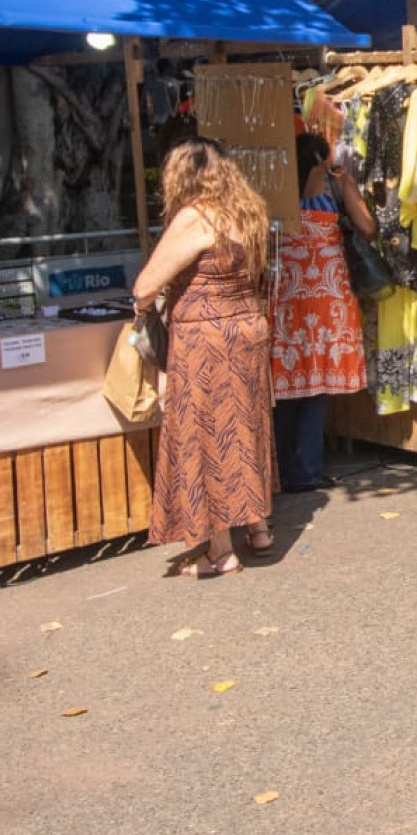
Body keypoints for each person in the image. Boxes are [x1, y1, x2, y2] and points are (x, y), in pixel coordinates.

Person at [131, 138, 276, 576]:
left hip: (205, 340)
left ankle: (219, 550)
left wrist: (143, 310)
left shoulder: (196, 218)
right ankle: (259, 527)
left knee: (209, 438)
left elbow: (144, 286)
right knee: (246, 428)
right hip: (247, 330)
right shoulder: (249, 213)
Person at [270, 131, 375, 493]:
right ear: (319, 158)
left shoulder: (275, 194)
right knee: (315, 388)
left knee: (286, 385)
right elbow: (367, 227)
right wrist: (346, 183)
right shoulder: (332, 188)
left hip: (286, 300)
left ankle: (283, 467)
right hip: (326, 299)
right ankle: (304, 469)